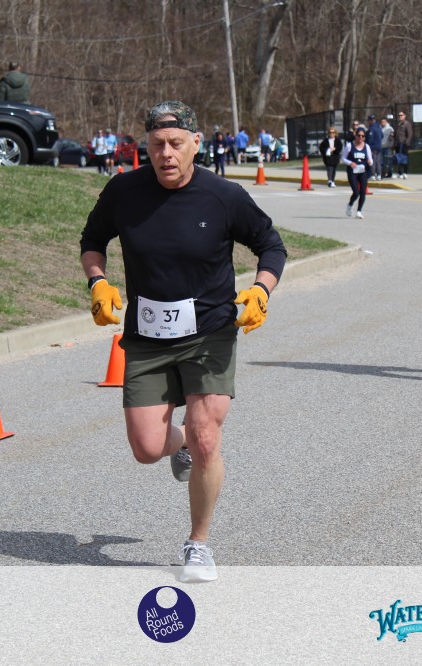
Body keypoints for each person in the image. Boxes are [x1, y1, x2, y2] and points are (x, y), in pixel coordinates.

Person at [79, 100, 287, 583]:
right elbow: (92, 240)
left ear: (196, 143)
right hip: (148, 337)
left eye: (175, 144)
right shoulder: (124, 191)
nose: (166, 154)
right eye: (157, 145)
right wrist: (98, 282)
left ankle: (198, 544)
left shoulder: (223, 196)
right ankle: (181, 448)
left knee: (206, 436)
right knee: (146, 447)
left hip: (210, 333)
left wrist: (260, 290)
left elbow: (271, 245)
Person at [340, 125, 372, 219]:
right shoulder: (350, 145)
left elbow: (370, 159)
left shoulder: (367, 146)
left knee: (363, 192)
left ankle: (359, 211)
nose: (360, 137)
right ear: (355, 135)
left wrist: (370, 162)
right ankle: (350, 205)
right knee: (356, 192)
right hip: (352, 171)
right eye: (359, 135)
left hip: (362, 171)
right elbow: (343, 158)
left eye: (363, 136)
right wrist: (350, 163)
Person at [394, 110, 413, 179]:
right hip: (398, 144)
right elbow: (395, 134)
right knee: (398, 158)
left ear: (404, 116)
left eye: (401, 115)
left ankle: (405, 172)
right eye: (399, 115)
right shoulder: (398, 124)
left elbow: (409, 134)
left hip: (404, 144)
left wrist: (407, 142)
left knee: (404, 158)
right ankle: (399, 172)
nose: (400, 116)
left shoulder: (407, 124)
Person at [366, 114, 383, 181]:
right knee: (378, 161)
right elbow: (382, 136)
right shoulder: (379, 127)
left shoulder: (372, 128)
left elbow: (370, 138)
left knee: (372, 161)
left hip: (373, 147)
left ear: (371, 120)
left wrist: (368, 146)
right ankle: (379, 175)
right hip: (379, 146)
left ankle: (373, 175)